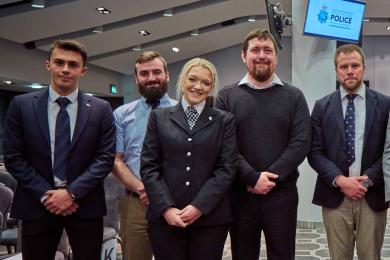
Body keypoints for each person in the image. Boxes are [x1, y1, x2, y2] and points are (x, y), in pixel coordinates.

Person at [3, 39, 116, 260]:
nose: (65, 69)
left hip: (84, 205)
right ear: (48, 65)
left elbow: (105, 157)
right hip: (37, 204)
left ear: (83, 71)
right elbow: (14, 157)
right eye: (59, 62)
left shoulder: (101, 109)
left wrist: (71, 193)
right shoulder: (21, 105)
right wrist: (47, 195)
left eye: (73, 65)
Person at [215, 29, 311, 260]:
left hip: (282, 196)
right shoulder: (226, 96)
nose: (262, 55)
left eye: (268, 50)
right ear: (243, 55)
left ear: (276, 57)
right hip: (240, 195)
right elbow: (225, 145)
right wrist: (251, 177)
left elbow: (300, 142)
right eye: (255, 50)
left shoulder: (294, 96)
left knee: (282, 254)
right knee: (243, 255)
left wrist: (269, 178)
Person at [140, 58, 237, 260]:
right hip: (166, 219)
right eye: (193, 79)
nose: (198, 87)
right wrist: (167, 208)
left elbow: (226, 169)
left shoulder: (224, 121)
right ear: (183, 79)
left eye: (206, 83)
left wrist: (199, 207)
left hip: (210, 220)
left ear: (211, 87)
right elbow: (150, 167)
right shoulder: (159, 117)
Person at [309, 44, 389, 260]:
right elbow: (314, 152)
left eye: (355, 65)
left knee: (370, 256)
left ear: (363, 68)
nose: (350, 70)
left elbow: (389, 152)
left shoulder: (385, 104)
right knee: (339, 257)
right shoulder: (321, 106)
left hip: (372, 194)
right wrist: (341, 181)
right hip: (335, 195)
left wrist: (368, 179)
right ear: (337, 70)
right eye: (344, 66)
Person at [112, 51, 176, 260]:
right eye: (144, 73)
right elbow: (116, 160)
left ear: (167, 75)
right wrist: (144, 189)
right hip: (135, 201)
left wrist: (161, 191)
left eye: (157, 72)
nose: (151, 77)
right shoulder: (121, 114)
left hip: (175, 199)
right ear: (137, 78)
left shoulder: (184, 110)